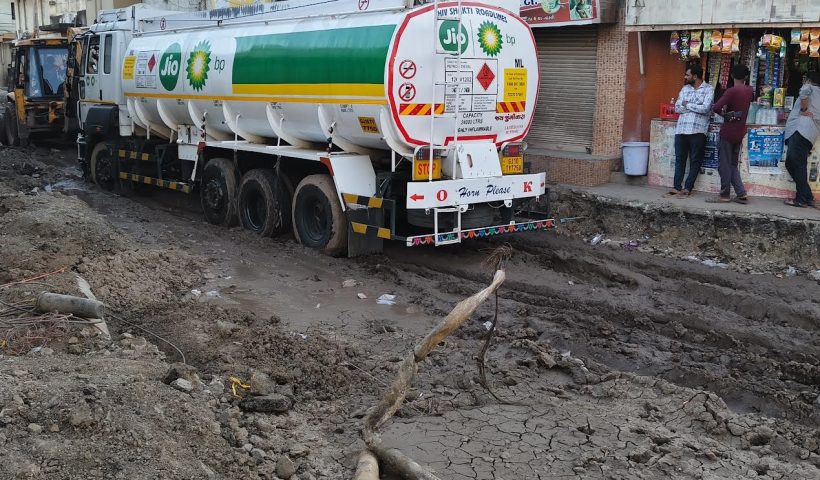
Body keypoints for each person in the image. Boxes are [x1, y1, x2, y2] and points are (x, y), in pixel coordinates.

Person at [707, 64, 754, 204]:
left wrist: (725, 114)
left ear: (732, 76)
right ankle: (741, 193)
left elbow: (716, 107)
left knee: (724, 164)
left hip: (728, 131)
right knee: (732, 164)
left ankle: (724, 194)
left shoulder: (732, 91)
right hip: (740, 131)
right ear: (746, 76)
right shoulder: (749, 91)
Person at [670, 64, 715, 197]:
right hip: (682, 129)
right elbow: (677, 108)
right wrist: (694, 107)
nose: (685, 77)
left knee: (695, 160)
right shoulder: (685, 89)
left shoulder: (708, 89)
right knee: (680, 159)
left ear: (695, 76)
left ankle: (688, 188)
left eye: (687, 75)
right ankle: (676, 187)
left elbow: (705, 108)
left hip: (698, 130)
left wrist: (687, 105)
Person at [783, 71, 820, 208]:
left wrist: (804, 109)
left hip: (800, 131)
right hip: (810, 133)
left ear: (809, 80)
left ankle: (801, 199)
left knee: (796, 164)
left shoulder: (810, 88)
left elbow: (804, 90)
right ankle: (807, 196)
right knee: (793, 163)